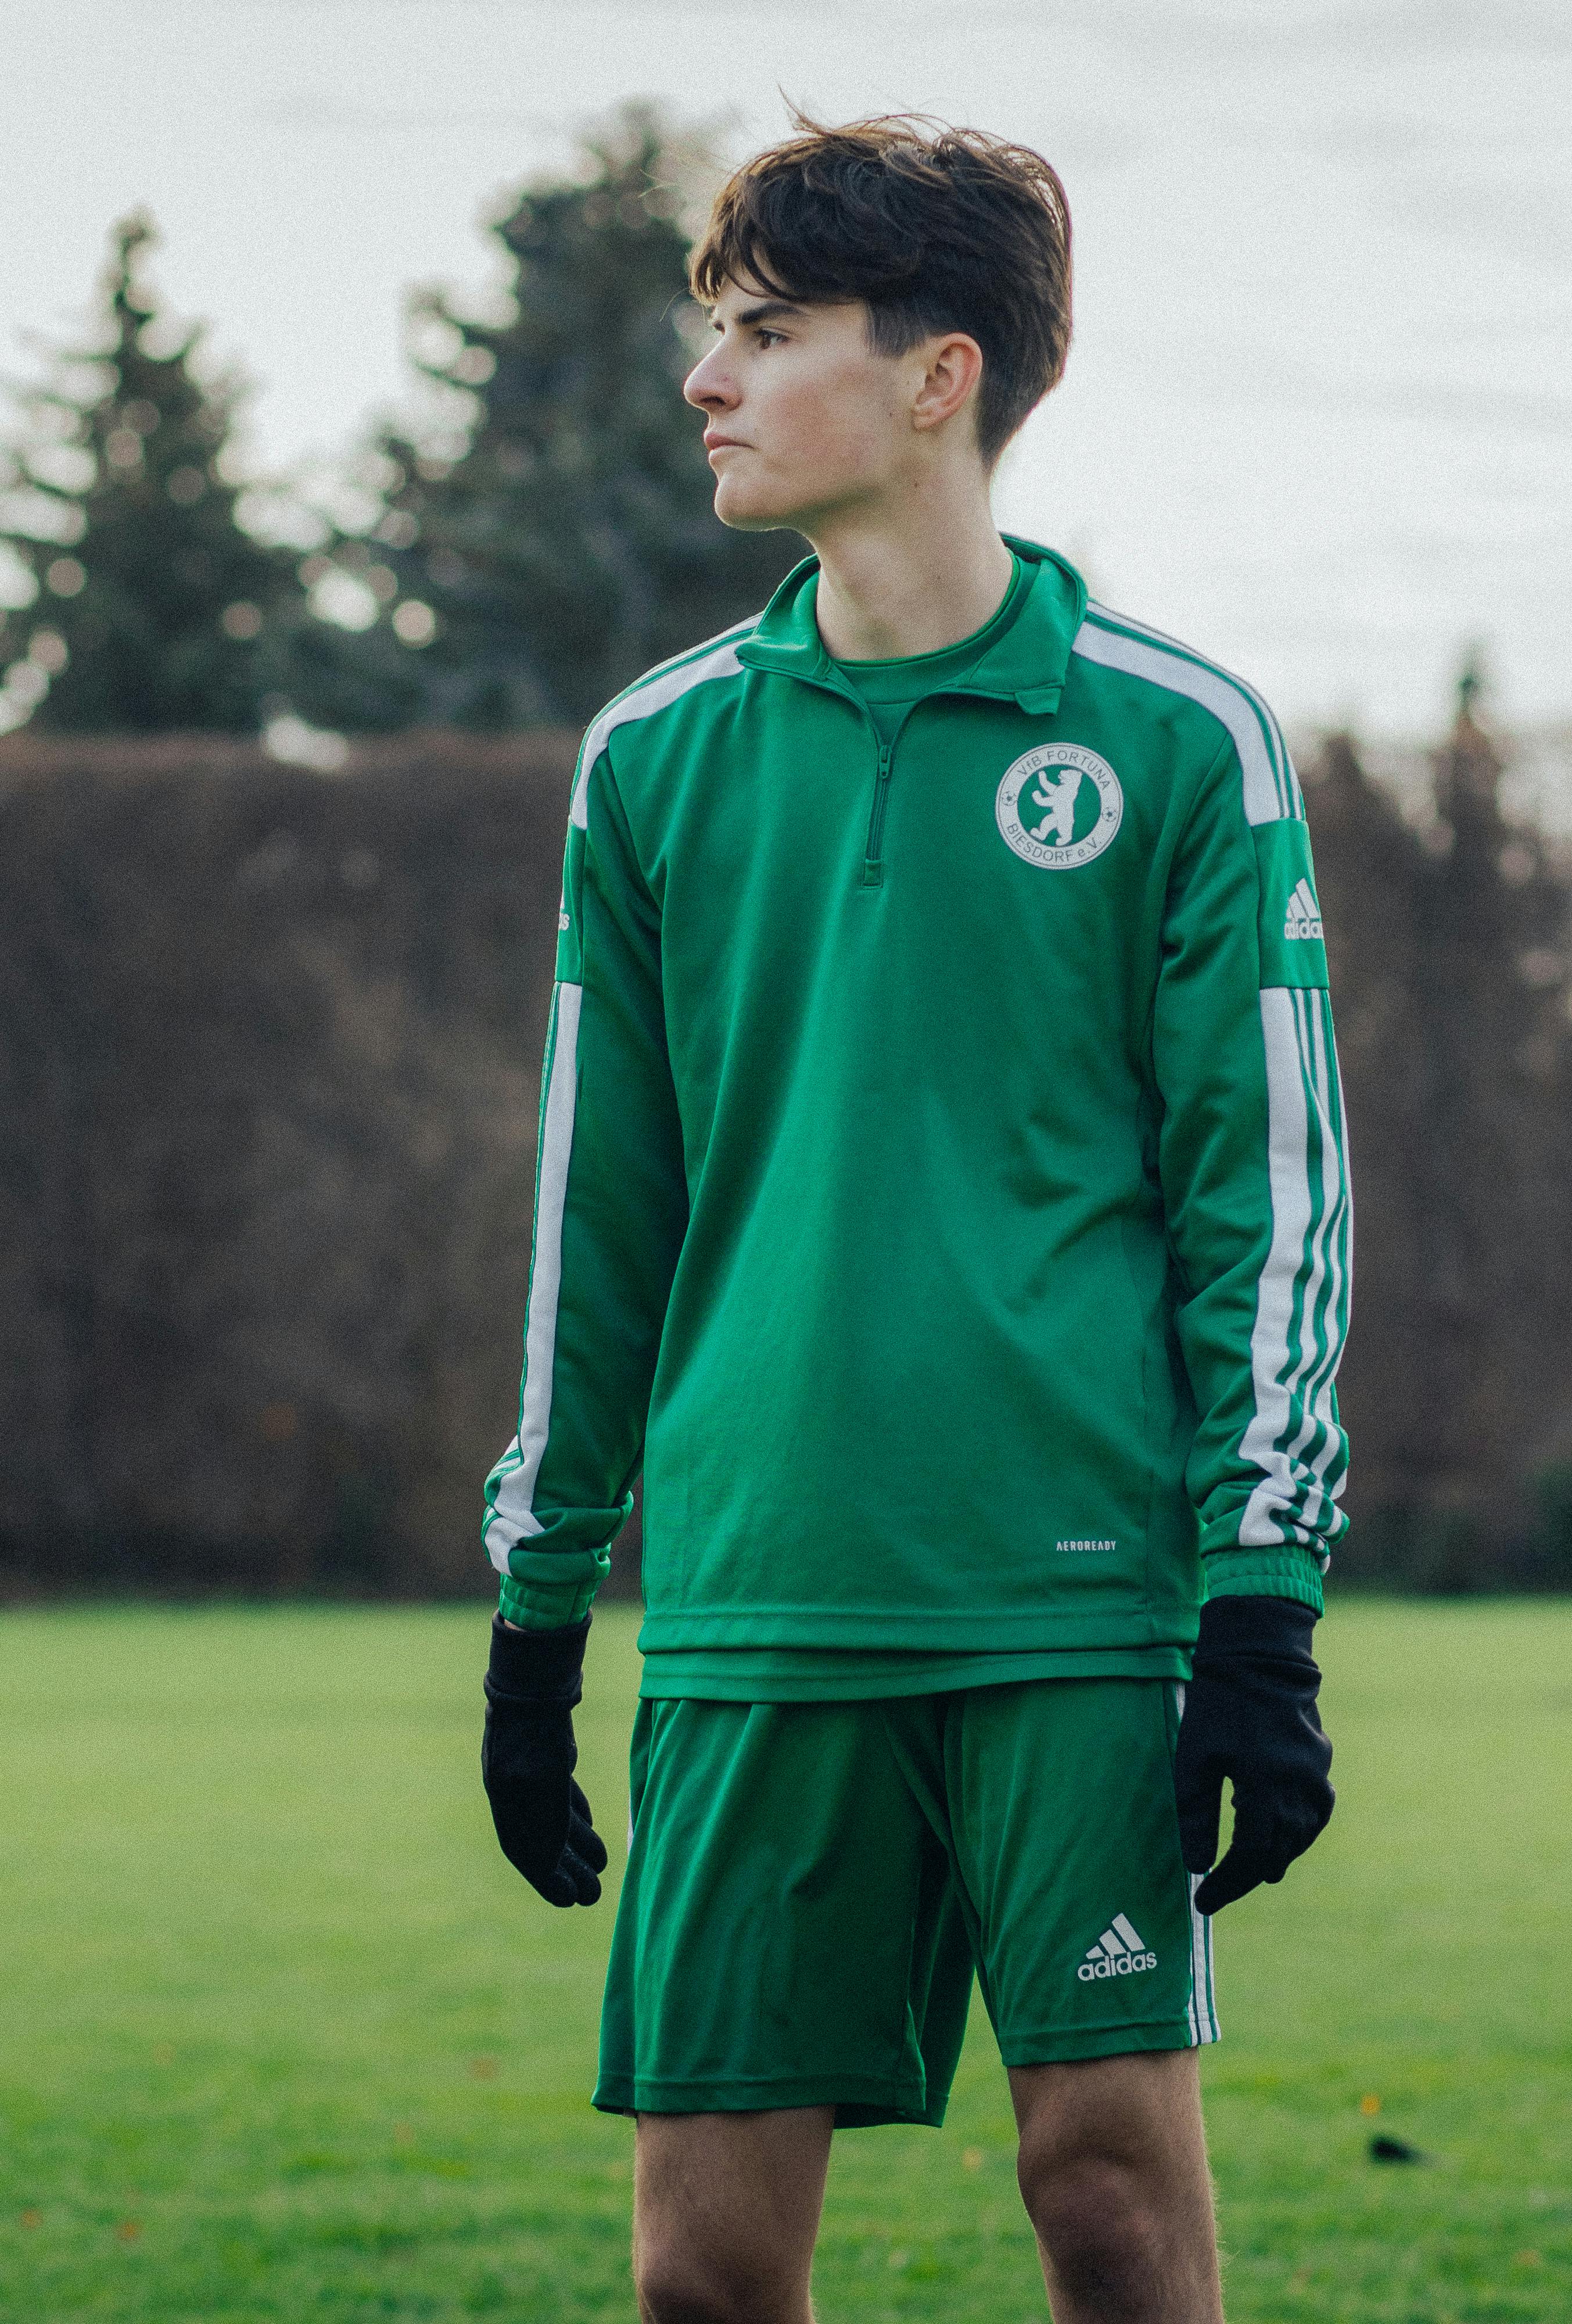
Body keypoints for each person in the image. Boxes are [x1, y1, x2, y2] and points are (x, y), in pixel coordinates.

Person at [478, 113, 1348, 2324]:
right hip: (760, 1594)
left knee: (1110, 2202)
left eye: (765, 336)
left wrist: (1258, 1603)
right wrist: (540, 1590)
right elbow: (604, 1207)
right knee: (699, 2270)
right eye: (714, 336)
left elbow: (1270, 1196)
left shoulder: (1179, 745)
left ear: (938, 375)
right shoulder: (654, 759)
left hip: (1069, 1592)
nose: (708, 383)